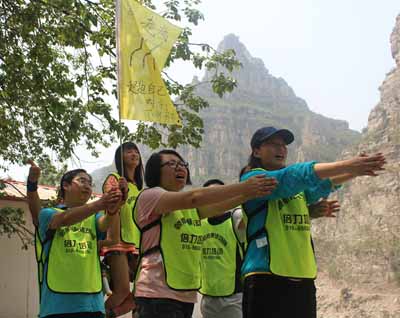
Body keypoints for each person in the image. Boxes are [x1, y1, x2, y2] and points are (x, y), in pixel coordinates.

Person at [240, 126, 386, 318]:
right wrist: (348, 165)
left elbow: (322, 185)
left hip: (303, 278)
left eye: (284, 146)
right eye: (273, 144)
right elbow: (293, 177)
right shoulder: (253, 179)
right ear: (256, 151)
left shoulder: (296, 188)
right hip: (265, 277)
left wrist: (356, 171)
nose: (281, 149)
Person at [133, 149, 277, 318]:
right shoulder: (150, 196)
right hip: (156, 293)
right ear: (154, 170)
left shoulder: (190, 209)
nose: (180, 168)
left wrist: (249, 193)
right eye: (171, 163)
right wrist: (244, 186)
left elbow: (218, 206)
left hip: (184, 294)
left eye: (183, 164)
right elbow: (193, 198)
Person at [37, 169, 123, 318]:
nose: (87, 186)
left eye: (90, 183)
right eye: (82, 181)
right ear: (65, 185)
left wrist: (113, 209)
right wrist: (100, 204)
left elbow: (112, 237)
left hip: (93, 304)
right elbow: (63, 220)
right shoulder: (48, 213)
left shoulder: (94, 217)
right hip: (58, 305)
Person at [102, 142, 144, 317]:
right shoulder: (114, 178)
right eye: (128, 151)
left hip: (139, 245)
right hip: (117, 241)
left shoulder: (140, 188)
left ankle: (108, 314)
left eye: (136, 151)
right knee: (121, 292)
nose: (134, 154)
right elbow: (111, 204)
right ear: (120, 157)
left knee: (143, 294)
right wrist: (121, 192)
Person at [199, 179, 245, 318]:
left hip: (234, 297)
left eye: (220, 194)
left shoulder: (235, 219)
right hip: (207, 297)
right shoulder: (199, 224)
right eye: (210, 195)